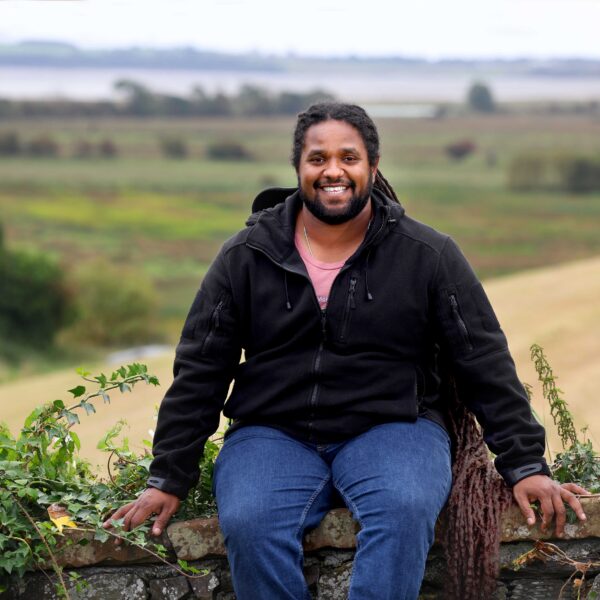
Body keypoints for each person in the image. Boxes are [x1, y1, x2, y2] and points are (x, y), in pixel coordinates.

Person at [105, 103, 588, 600]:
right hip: (273, 432)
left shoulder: (427, 254)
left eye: (348, 158)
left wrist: (525, 464)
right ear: (299, 169)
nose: (333, 170)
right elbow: (202, 369)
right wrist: (168, 476)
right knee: (250, 522)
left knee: (403, 507)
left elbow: (482, 358)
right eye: (318, 159)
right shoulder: (246, 255)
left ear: (372, 168)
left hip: (396, 427)